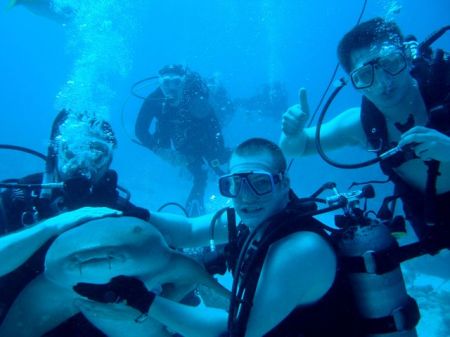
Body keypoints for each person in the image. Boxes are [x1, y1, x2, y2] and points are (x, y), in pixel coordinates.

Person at [73, 138, 363, 337]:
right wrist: (128, 208)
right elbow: (187, 231)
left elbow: (236, 332)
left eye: (261, 183)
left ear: (284, 183)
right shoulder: (254, 218)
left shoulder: (301, 249)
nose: (246, 197)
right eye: (235, 184)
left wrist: (140, 299)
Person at [280, 17, 450, 246]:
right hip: (429, 213)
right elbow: (299, 147)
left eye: (390, 63)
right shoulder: (360, 124)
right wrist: (291, 132)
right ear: (353, 83)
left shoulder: (445, 91)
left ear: (408, 56)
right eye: (364, 75)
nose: (382, 83)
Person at [0, 109, 150, 336]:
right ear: (54, 151)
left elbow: (168, 278)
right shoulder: (16, 200)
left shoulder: (122, 214)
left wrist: (141, 315)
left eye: (97, 152)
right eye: (72, 150)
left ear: (109, 159)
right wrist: (51, 225)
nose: (84, 162)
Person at [135, 64, 231, 216]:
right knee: (198, 173)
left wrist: (217, 150)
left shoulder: (196, 97)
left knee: (217, 161)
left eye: (176, 82)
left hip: (203, 134)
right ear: (160, 82)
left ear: (183, 82)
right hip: (181, 140)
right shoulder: (154, 99)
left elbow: (214, 126)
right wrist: (162, 152)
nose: (171, 88)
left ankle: (241, 158)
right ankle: (195, 210)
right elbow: (140, 130)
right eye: (166, 82)